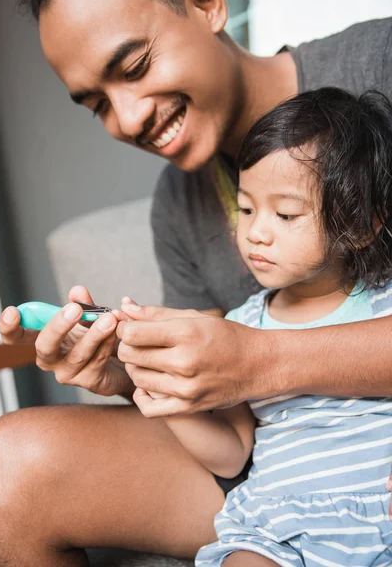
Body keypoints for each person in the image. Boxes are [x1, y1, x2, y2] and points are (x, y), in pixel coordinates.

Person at [0, 0, 392, 565]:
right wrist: (130, 377)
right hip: (278, 479)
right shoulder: (176, 208)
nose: (127, 121)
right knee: (8, 467)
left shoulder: (380, 64)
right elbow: (226, 423)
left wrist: (258, 360)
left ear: (206, 2)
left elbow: (243, 365)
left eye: (133, 68)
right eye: (98, 104)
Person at [153, 86, 392, 567]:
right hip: (278, 528)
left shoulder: (384, 305)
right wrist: (164, 395)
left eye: (285, 214)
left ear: (362, 225)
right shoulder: (241, 327)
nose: (256, 231)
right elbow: (232, 454)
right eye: (245, 209)